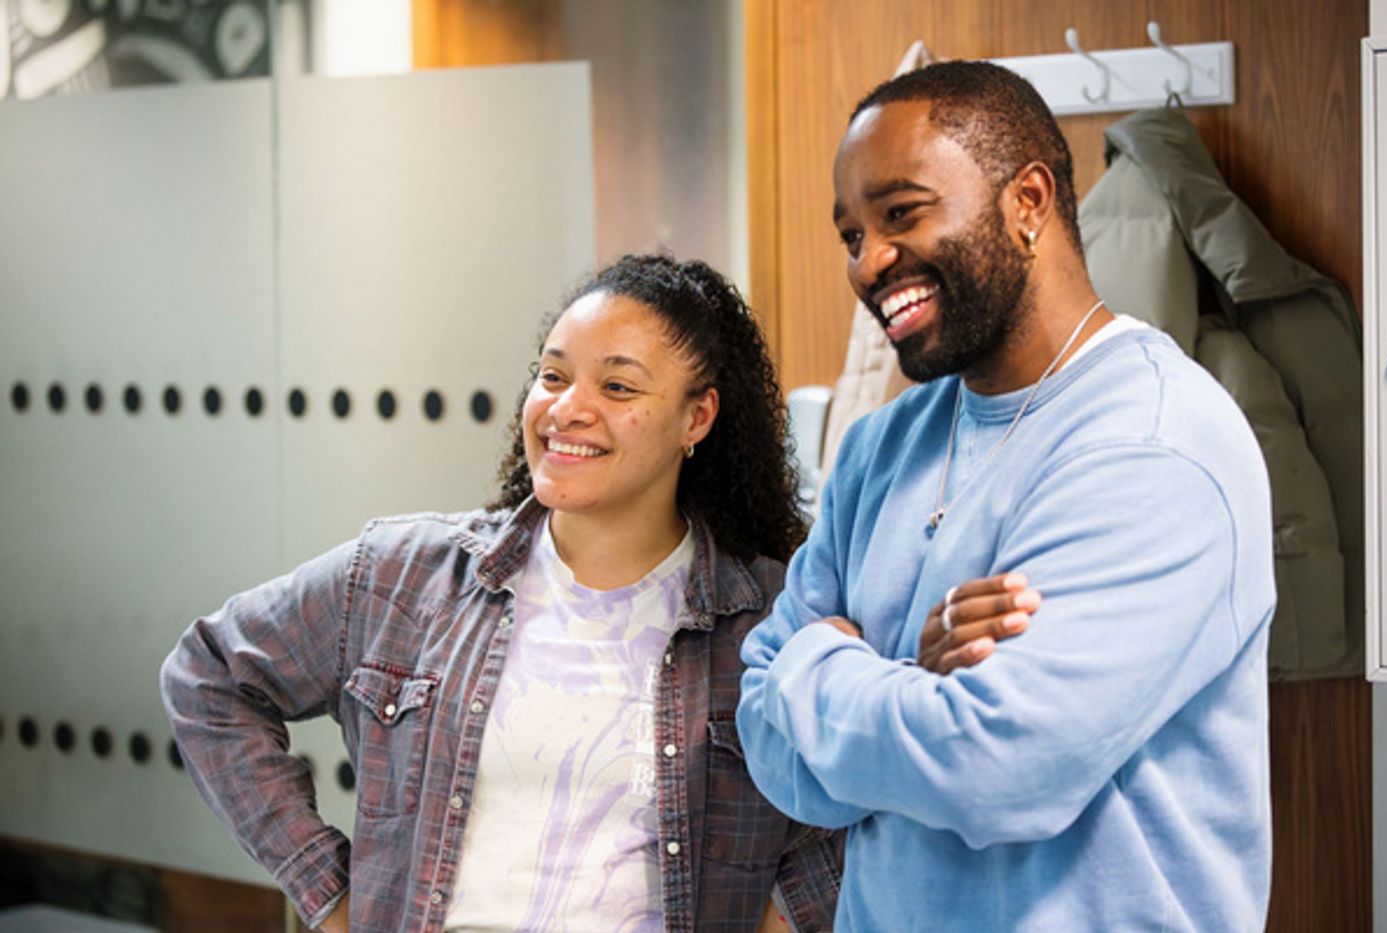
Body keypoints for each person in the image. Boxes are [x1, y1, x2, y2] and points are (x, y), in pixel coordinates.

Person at [161, 254, 855, 933]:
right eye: (553, 376)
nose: (567, 409)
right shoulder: (406, 575)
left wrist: (784, 916)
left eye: (618, 388)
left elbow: (867, 795)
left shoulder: (770, 616)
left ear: (696, 417)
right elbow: (209, 675)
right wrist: (330, 895)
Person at [736, 61, 1275, 932]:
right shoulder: (880, 446)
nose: (870, 262)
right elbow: (775, 754)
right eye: (850, 235)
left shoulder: (1154, 443)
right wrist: (911, 677)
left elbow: (1000, 768)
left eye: (902, 214)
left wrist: (819, 664)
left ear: (1028, 200)